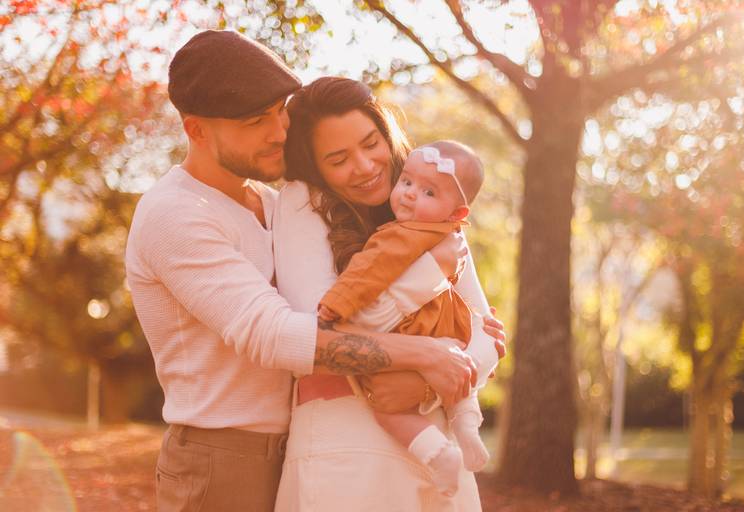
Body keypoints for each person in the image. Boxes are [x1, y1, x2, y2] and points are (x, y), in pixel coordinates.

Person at [125, 31, 487, 512]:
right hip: (223, 451)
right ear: (197, 131)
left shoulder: (274, 205)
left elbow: (484, 330)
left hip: (301, 436)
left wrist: (433, 370)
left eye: (280, 112)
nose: (279, 132)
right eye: (257, 120)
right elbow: (278, 334)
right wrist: (427, 354)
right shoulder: (175, 214)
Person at [273, 77, 501, 511]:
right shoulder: (303, 203)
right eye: (338, 159)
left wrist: (428, 383)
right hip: (346, 446)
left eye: (371, 143)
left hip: (438, 447)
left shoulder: (437, 208)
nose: (363, 166)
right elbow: (319, 332)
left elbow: (485, 337)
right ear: (316, 165)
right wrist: (433, 278)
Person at [316, 140, 492, 497]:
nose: (410, 195)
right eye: (407, 182)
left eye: (428, 191)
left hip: (411, 336)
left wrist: (336, 303)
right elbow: (484, 329)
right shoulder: (452, 240)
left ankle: (438, 453)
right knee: (460, 390)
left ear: (458, 213)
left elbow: (364, 277)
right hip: (450, 337)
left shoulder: (397, 235)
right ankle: (468, 429)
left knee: (387, 407)